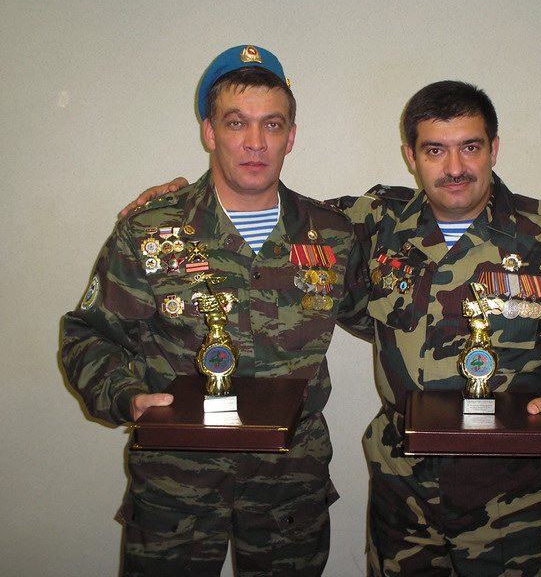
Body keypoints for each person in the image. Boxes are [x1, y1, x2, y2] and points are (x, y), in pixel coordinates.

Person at [125, 80, 541, 576]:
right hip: (403, 488)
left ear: (493, 149)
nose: (454, 168)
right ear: (410, 156)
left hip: (512, 494)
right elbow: (267, 206)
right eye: (434, 150)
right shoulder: (372, 222)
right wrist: (178, 203)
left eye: (470, 147)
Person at [60, 44, 363, 577]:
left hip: (288, 484)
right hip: (176, 482)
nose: (255, 141)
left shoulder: (333, 234)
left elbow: (390, 306)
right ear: (209, 132)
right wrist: (126, 396)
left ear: (291, 136)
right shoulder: (150, 229)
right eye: (236, 122)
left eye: (272, 124)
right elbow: (88, 334)